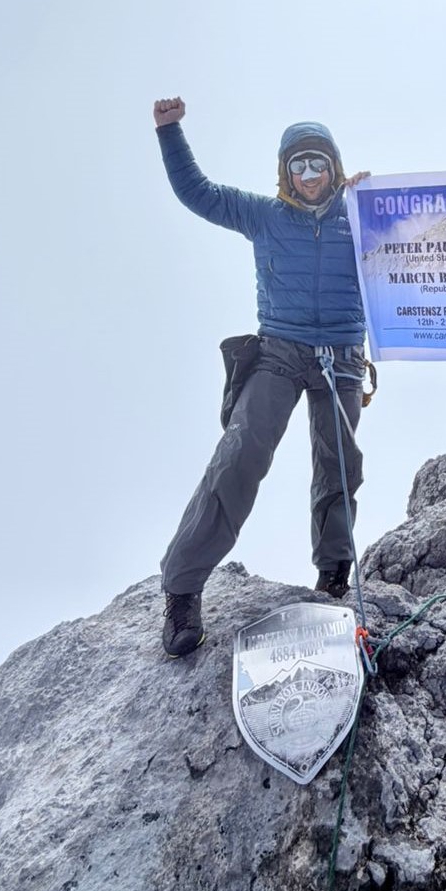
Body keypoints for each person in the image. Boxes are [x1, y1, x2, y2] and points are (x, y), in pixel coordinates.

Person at [152, 97, 370, 657]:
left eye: (318, 163)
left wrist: (378, 199)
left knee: (339, 463)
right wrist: (169, 130)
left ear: (335, 167)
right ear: (284, 173)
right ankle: (181, 588)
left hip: (342, 357)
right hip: (278, 351)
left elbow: (443, 221)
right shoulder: (264, 215)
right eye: (297, 165)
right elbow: (196, 192)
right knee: (242, 453)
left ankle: (334, 573)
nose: (309, 175)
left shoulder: (362, 212)